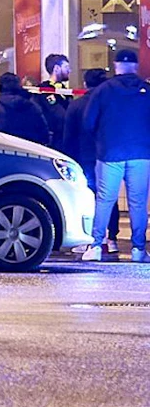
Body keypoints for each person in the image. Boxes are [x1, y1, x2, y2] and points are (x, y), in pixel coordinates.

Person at [82, 49, 150, 263]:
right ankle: (138, 249)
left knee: (105, 199)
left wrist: (102, 138)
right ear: (136, 66)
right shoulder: (146, 90)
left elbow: (88, 122)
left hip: (110, 152)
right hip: (141, 153)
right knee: (138, 202)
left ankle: (95, 245)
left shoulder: (103, 90)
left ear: (116, 65)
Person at [62, 67, 119, 256]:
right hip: (108, 155)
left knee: (87, 197)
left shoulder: (77, 105)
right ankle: (112, 238)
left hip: (84, 158)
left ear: (85, 84)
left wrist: (67, 157)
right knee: (110, 197)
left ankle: (90, 239)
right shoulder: (111, 103)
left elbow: (69, 135)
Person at [0, 72, 51, 145]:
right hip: (29, 151)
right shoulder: (33, 108)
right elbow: (44, 135)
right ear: (19, 87)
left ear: (1, 88)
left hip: (2, 152)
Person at [41, 53, 74, 148]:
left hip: (66, 138)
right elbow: (57, 113)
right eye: (66, 67)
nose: (69, 70)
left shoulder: (65, 90)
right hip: (53, 141)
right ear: (56, 68)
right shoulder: (43, 89)